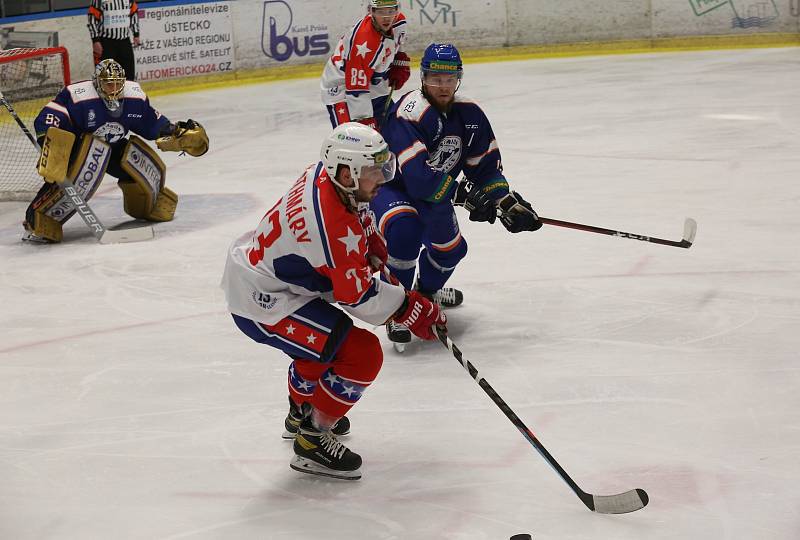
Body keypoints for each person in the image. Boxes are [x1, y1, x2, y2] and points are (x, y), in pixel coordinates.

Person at [220, 122, 447, 480]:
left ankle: (301, 412)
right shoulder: (329, 227)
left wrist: (370, 239)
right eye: (373, 171)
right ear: (346, 171)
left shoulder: (325, 177)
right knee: (361, 353)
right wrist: (410, 307)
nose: (382, 178)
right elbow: (357, 298)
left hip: (269, 278)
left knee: (326, 345)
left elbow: (354, 219)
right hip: (263, 302)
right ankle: (311, 440)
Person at [371, 43, 542, 347]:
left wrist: (505, 201)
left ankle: (422, 296)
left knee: (452, 250)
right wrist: (464, 195)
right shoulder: (410, 113)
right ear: (423, 78)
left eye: (450, 79)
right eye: (436, 78)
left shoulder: (470, 114)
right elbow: (418, 178)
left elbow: (485, 168)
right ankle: (396, 308)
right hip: (391, 188)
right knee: (404, 231)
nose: (444, 86)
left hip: (435, 195)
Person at [23, 59, 209, 244]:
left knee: (135, 158)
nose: (113, 88)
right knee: (80, 172)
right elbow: (50, 117)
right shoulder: (78, 95)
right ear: (97, 82)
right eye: (108, 83)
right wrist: (51, 143)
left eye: (117, 83)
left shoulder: (134, 97)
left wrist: (176, 132)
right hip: (81, 149)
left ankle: (147, 204)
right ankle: (40, 216)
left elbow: (152, 123)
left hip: (112, 146)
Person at [320, 0, 411, 130]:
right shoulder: (364, 42)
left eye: (391, 11)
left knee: (395, 132)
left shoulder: (399, 22)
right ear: (371, 11)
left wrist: (398, 62)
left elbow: (397, 45)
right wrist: (365, 121)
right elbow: (356, 88)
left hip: (373, 80)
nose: (386, 17)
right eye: (380, 11)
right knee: (354, 138)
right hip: (343, 88)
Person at [88, 0, 140, 80]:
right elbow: (92, 19)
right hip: (106, 43)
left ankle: (128, 92)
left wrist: (136, 34)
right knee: (105, 77)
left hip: (125, 42)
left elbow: (133, 14)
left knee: (129, 76)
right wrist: (95, 40)